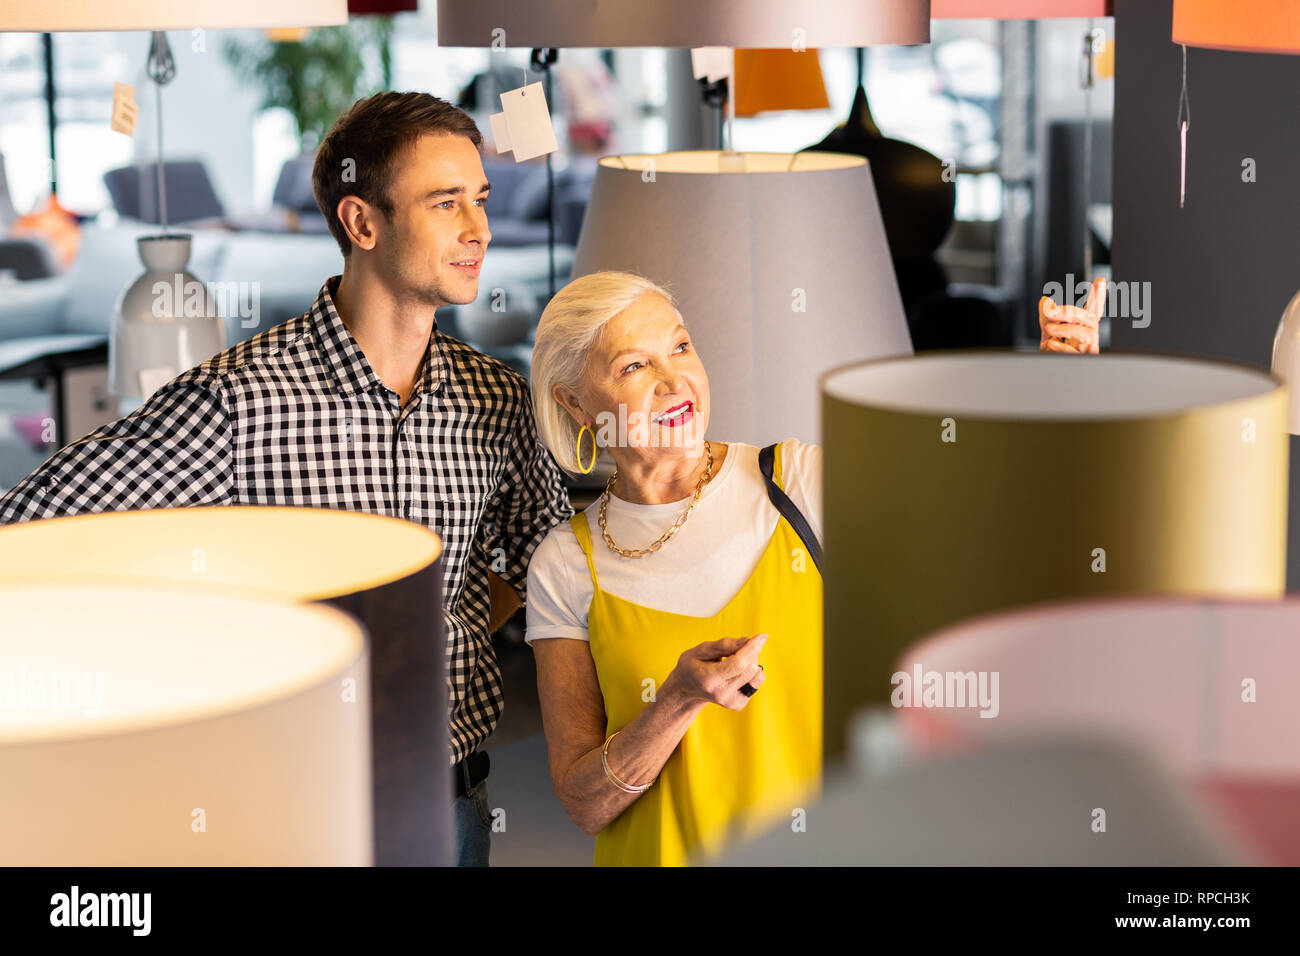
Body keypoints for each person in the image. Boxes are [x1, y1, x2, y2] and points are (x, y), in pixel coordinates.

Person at [0, 92, 574, 867]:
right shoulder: (237, 403)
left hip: (452, 804)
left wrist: (445, 619)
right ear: (361, 222)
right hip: (294, 812)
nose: (479, 230)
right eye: (446, 204)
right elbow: (32, 521)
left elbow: (550, 568)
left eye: (480, 199)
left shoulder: (496, 397)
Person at [523, 271, 824, 866]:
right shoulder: (564, 562)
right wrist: (676, 705)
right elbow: (585, 805)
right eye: (634, 367)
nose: (673, 381)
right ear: (575, 402)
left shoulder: (798, 483)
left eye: (681, 347)